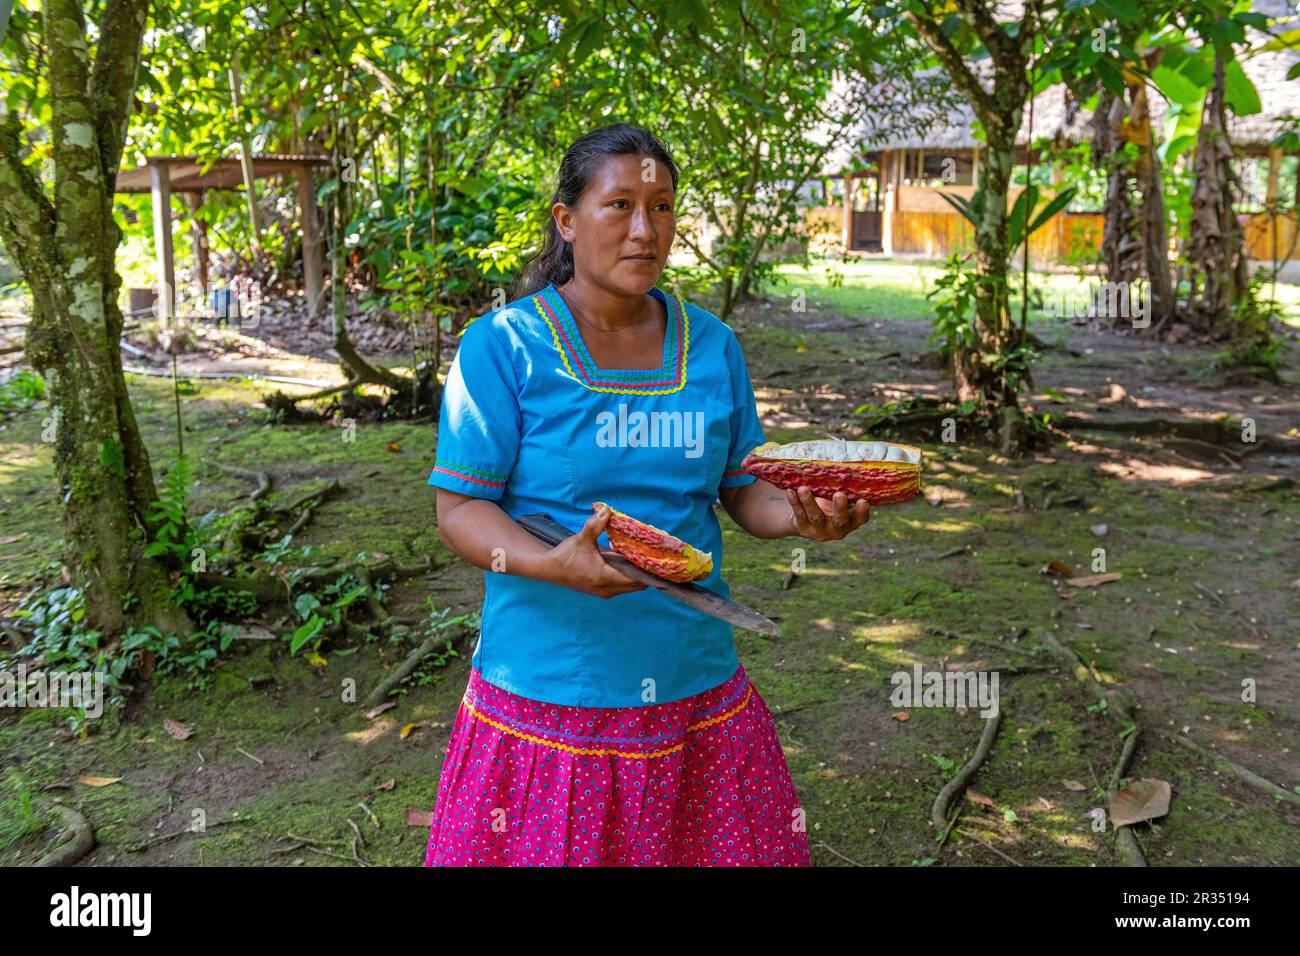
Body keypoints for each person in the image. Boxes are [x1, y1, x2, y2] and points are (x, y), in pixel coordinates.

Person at [423, 123, 871, 867]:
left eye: (662, 207)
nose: (644, 229)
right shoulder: (502, 347)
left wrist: (800, 517)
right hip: (552, 692)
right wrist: (549, 565)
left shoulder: (713, 345)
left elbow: (743, 492)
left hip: (695, 684)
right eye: (620, 204)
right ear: (567, 222)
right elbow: (460, 511)